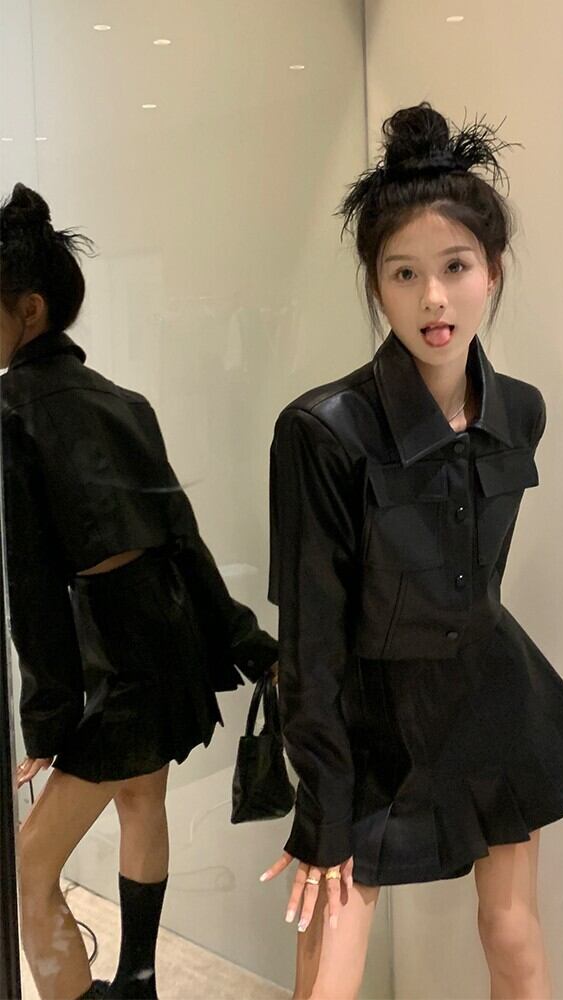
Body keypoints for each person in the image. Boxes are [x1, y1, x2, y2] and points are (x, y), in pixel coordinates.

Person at [260, 103, 563, 999]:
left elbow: (477, 577)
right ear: (377, 285)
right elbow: (310, 636)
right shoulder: (322, 430)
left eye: (455, 267)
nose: (434, 299)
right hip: (366, 718)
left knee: (513, 935)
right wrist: (322, 800)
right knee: (328, 971)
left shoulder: (520, 410)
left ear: (493, 270)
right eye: (404, 273)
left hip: (489, 696)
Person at [0, 183, 278, 1000]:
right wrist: (244, 641)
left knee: (30, 866)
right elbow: (182, 536)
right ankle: (140, 981)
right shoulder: (127, 403)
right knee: (139, 799)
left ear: (29, 311)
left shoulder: (13, 408)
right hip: (167, 629)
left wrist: (47, 717)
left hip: (117, 649)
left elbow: (33, 583)